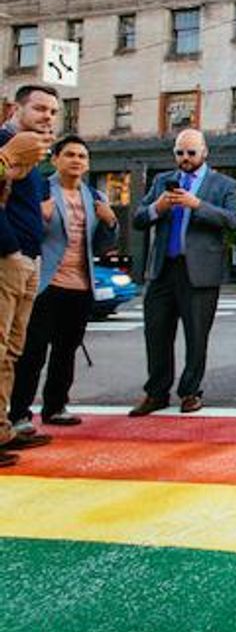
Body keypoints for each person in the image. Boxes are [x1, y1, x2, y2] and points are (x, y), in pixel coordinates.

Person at [129, 129, 236, 416]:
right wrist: (158, 207)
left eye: (191, 152)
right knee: (156, 334)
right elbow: (139, 219)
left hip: (200, 272)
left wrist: (198, 206)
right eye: (180, 153)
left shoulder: (223, 184)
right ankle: (156, 392)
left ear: (204, 152)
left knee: (196, 335)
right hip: (162, 270)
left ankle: (190, 391)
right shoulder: (161, 181)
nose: (185, 158)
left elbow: (234, 220)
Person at [8, 136, 117, 429]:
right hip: (45, 283)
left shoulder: (96, 197)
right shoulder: (41, 190)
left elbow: (104, 245)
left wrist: (110, 221)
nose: (76, 160)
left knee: (65, 352)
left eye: (82, 156)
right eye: (69, 154)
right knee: (32, 352)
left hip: (81, 286)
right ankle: (19, 413)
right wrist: (39, 218)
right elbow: (26, 233)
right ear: (55, 159)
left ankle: (56, 407)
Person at [0, 85, 58, 465]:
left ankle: (3, 428)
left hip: (27, 257)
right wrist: (11, 247)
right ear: (14, 108)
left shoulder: (34, 153)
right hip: (8, 256)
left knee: (11, 350)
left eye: (54, 111)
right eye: (39, 108)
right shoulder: (6, 143)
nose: (48, 116)